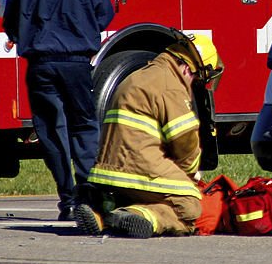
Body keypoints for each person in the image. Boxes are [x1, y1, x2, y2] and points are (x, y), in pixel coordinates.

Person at [2, 0, 114, 220]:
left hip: (40, 64)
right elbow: (104, 16)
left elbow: (10, 19)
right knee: (85, 126)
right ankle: (88, 194)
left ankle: (66, 198)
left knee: (52, 131)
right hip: (77, 63)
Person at [74, 33, 223, 238]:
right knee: (190, 207)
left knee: (150, 194)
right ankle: (142, 215)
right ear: (187, 68)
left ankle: (100, 213)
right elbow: (185, 142)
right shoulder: (171, 85)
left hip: (107, 172)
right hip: (138, 169)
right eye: (196, 78)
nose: (192, 84)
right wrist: (189, 174)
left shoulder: (139, 75)